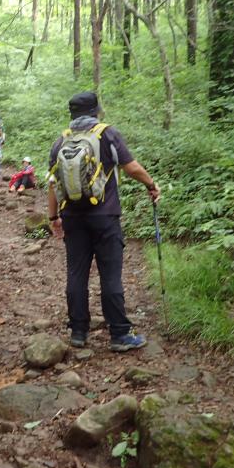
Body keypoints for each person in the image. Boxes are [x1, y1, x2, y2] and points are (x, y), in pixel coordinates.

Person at [48, 91, 160, 352]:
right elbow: (131, 168)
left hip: (72, 217)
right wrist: (151, 185)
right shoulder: (107, 134)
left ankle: (78, 331)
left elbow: (52, 183)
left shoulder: (61, 141)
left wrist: (53, 217)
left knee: (76, 273)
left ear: (72, 114)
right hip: (104, 216)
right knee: (110, 274)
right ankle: (119, 334)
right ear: (96, 110)